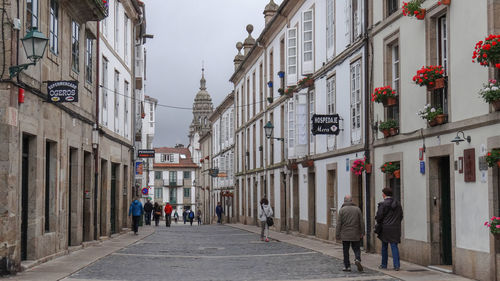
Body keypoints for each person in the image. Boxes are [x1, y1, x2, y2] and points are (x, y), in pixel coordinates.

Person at [375, 187, 404, 271]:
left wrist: (380, 221)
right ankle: (396, 265)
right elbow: (401, 216)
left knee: (384, 246)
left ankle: (384, 264)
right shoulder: (398, 204)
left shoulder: (383, 204)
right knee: (394, 246)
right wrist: (396, 223)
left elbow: (379, 217)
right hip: (395, 228)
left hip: (385, 228)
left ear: (384, 194)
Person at [336, 195, 365, 272]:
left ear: (344, 201)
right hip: (355, 233)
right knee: (356, 248)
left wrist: (337, 234)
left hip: (345, 234)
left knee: (345, 250)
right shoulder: (357, 209)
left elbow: (339, 223)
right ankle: (357, 259)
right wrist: (362, 232)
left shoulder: (342, 210)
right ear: (351, 201)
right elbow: (361, 222)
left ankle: (347, 266)